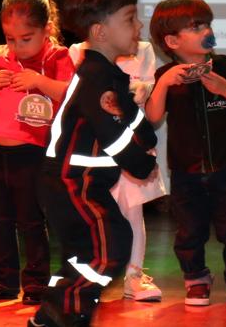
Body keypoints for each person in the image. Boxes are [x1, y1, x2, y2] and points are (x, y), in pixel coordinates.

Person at [30, 0, 157, 327]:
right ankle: (66, 309)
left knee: (87, 253)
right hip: (72, 182)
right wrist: (141, 163)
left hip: (79, 182)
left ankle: (54, 314)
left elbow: (128, 114)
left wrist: (146, 137)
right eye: (130, 19)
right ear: (100, 31)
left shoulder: (108, 75)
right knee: (111, 246)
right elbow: (111, 133)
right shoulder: (96, 78)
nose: (139, 26)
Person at [145, 0, 226, 306]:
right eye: (196, 27)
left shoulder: (225, 66)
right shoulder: (165, 75)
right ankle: (195, 277)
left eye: (207, 24)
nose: (206, 31)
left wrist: (223, 87)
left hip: (224, 166)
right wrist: (164, 84)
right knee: (189, 229)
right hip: (185, 170)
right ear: (172, 41)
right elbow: (153, 116)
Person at [0, 0, 74, 304]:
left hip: (33, 152)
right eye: (10, 38)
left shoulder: (57, 56)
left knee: (30, 220)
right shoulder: (0, 55)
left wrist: (39, 81)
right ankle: (2, 280)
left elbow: (71, 94)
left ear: (47, 29)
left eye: (26, 39)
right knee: (0, 219)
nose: (17, 46)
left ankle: (37, 283)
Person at [68, 40, 165, 302]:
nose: (136, 27)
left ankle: (134, 276)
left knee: (132, 210)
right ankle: (87, 279)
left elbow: (145, 90)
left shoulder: (143, 49)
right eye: (128, 21)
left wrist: (141, 90)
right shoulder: (79, 52)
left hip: (130, 143)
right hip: (96, 148)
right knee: (92, 214)